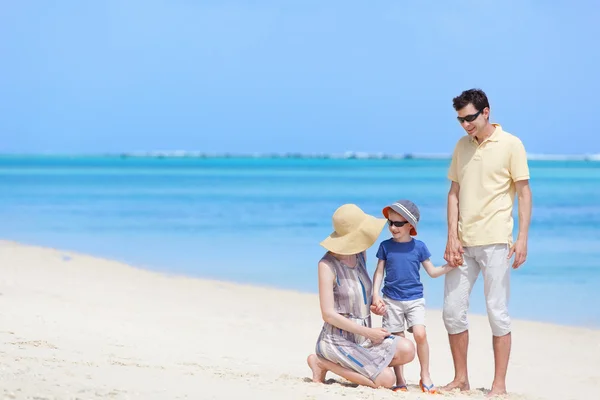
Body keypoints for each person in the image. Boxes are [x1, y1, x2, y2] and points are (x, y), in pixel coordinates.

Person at [442, 89, 532, 397]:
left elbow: (524, 193)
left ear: (486, 112)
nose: (465, 124)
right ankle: (461, 379)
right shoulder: (461, 146)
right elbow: (454, 193)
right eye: (460, 119)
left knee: (497, 312)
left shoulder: (511, 145)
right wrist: (452, 236)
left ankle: (499, 385)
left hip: (496, 241)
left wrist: (522, 239)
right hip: (463, 242)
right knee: (452, 311)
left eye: (470, 118)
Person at [306, 203, 416, 389]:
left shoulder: (359, 254)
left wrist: (375, 305)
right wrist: (369, 332)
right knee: (386, 380)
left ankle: (365, 365)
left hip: (364, 339)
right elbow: (328, 315)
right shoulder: (326, 265)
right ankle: (322, 362)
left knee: (408, 349)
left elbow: (359, 296)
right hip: (337, 340)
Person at [371, 200, 455, 393]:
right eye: (390, 223)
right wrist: (375, 295)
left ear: (410, 225)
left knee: (420, 334)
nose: (393, 227)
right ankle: (400, 381)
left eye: (398, 223)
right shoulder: (385, 246)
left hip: (415, 299)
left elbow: (432, 272)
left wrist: (451, 266)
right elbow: (379, 272)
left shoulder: (419, 247)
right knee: (397, 340)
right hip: (391, 299)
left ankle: (425, 375)